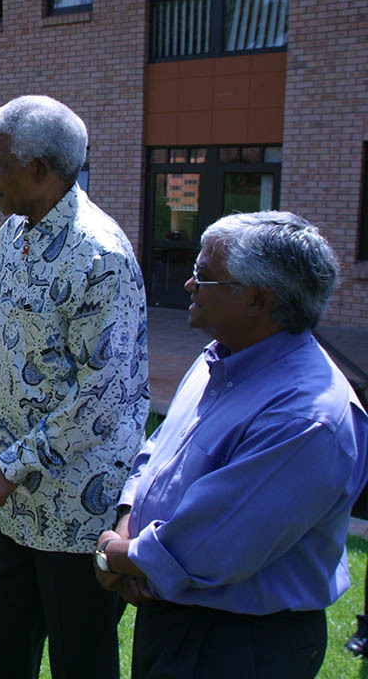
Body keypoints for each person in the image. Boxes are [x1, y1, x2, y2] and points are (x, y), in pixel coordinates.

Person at [0, 95, 149, 679]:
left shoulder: (101, 255)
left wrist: (9, 466)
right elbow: (8, 346)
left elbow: (103, 395)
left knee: (79, 663)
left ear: (40, 170)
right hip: (16, 507)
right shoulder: (14, 236)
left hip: (75, 510)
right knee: (5, 653)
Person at [93, 211, 368, 679]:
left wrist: (113, 556)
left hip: (239, 644)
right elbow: (158, 451)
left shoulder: (306, 417)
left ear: (258, 300)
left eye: (205, 276)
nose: (188, 284)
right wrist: (125, 521)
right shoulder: (220, 358)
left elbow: (210, 545)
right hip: (175, 617)